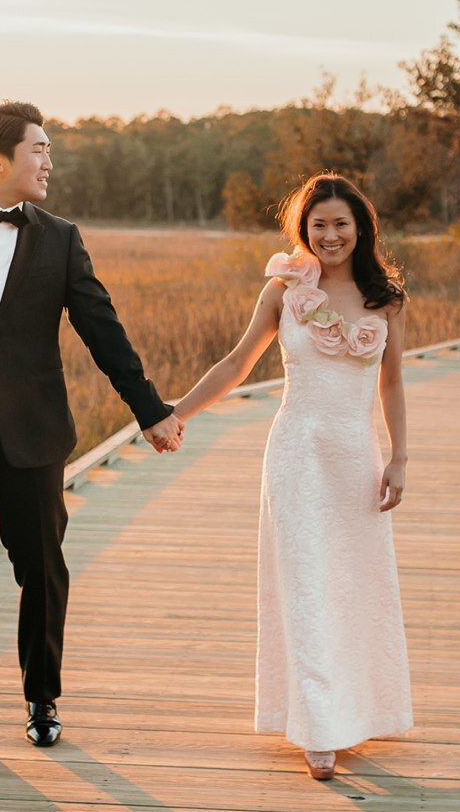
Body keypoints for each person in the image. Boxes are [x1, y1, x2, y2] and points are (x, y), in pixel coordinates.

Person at [0, 100, 188, 777]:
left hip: (33, 435)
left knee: (42, 571)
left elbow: (102, 329)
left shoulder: (61, 237)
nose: (50, 160)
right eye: (40, 149)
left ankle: (42, 698)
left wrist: (150, 409)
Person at [172, 172, 413, 780]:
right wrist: (174, 414)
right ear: (302, 230)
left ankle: (361, 707)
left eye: (340, 223)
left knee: (353, 585)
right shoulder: (284, 291)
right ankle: (318, 728)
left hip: (355, 458)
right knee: (306, 585)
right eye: (318, 224)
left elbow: (391, 382)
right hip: (297, 457)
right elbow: (236, 362)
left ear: (361, 228)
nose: (329, 235)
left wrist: (399, 457)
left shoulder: (387, 299)